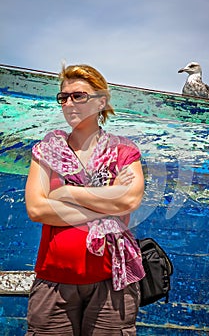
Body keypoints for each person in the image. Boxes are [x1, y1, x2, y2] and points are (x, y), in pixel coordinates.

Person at [25, 63, 145, 335]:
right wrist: (105, 205)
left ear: (101, 101)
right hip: (54, 283)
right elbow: (36, 208)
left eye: (79, 95)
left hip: (112, 282)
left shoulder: (124, 151)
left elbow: (128, 201)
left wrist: (67, 193)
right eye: (63, 97)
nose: (69, 103)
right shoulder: (46, 151)